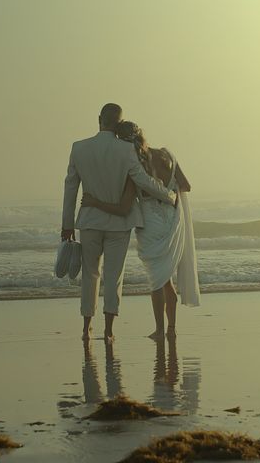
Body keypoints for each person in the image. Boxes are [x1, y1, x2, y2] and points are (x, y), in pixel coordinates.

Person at [61, 104, 177, 342]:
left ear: (99, 119)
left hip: (90, 221)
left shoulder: (79, 148)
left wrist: (67, 224)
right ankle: (109, 330)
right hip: (119, 224)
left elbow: (70, 187)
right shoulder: (125, 150)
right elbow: (143, 181)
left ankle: (86, 328)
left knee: (90, 274)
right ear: (118, 123)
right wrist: (169, 196)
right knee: (114, 277)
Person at [81, 121, 200, 341]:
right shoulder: (167, 155)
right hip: (173, 220)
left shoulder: (134, 168)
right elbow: (186, 186)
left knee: (157, 279)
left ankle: (159, 329)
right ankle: (171, 329)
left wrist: (93, 202)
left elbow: (124, 207)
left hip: (150, 222)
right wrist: (169, 191)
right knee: (166, 278)